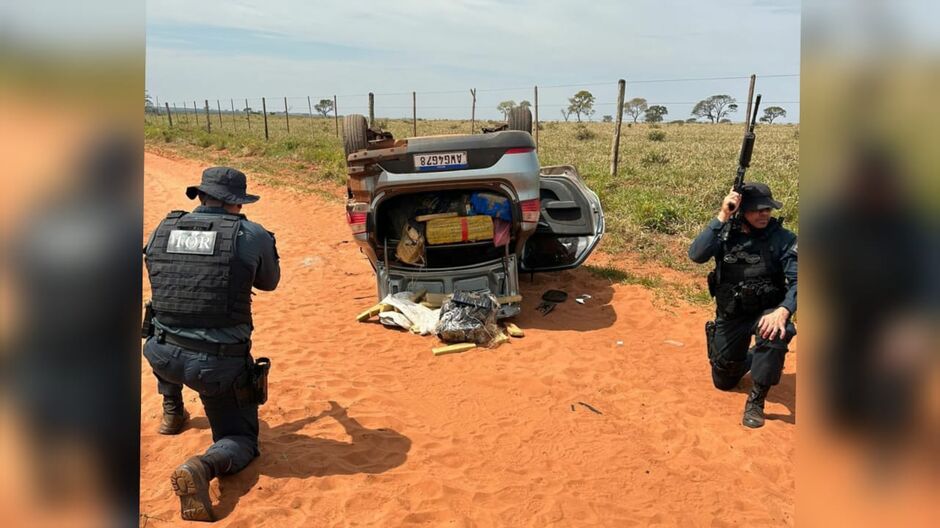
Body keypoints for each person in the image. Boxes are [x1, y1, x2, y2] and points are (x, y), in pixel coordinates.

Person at [142, 167, 280, 521]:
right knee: (241, 439)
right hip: (215, 367)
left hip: (160, 353)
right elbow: (269, 283)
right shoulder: (250, 233)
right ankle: (202, 468)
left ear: (201, 196)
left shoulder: (163, 227)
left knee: (172, 322)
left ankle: (172, 411)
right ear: (236, 202)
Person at [688, 182, 797, 428]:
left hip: (766, 311)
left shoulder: (783, 239)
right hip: (733, 314)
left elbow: (801, 280)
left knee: (775, 332)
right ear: (740, 210)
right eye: (757, 209)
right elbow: (696, 255)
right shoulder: (725, 232)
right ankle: (751, 358)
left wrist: (783, 310)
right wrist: (722, 215)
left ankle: (756, 400)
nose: (764, 214)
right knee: (723, 381)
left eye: (767, 209)